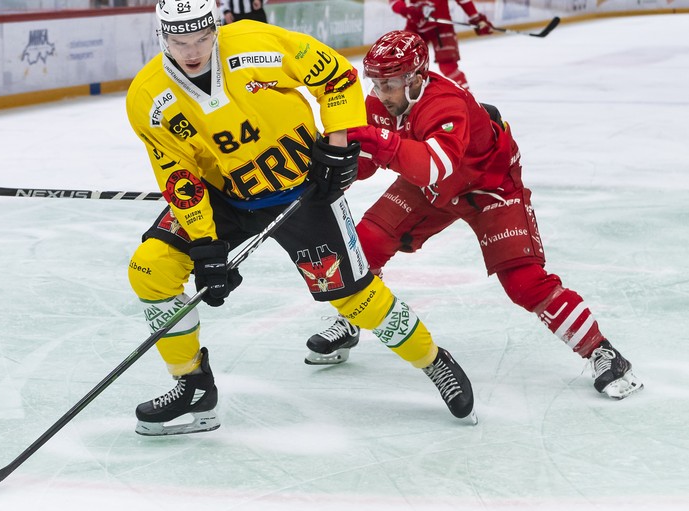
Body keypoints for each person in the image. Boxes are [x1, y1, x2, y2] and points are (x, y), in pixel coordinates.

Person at [125, 0, 477, 436]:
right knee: (150, 269)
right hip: (224, 196)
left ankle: (432, 360)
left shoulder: (259, 44)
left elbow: (336, 75)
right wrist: (205, 245)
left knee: (354, 298)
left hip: (303, 191)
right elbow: (179, 174)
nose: (192, 51)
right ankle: (193, 385)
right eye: (179, 41)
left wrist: (338, 142)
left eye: (201, 38)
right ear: (162, 36)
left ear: (216, 28)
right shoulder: (147, 98)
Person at [304, 31, 643, 401]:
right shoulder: (382, 103)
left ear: (415, 78)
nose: (381, 93)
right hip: (431, 186)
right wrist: (337, 163)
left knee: (524, 282)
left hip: (489, 188)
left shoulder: (445, 102)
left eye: (389, 84)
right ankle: (352, 321)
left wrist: (378, 141)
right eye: (377, 83)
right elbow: (368, 166)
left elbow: (434, 165)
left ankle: (602, 352)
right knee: (363, 245)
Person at [388, 0, 494, 90]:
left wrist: (475, 17)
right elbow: (394, 1)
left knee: (448, 66)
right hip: (415, 25)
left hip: (442, 27)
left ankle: (468, 98)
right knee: (401, 62)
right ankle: (403, 100)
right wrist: (407, 11)